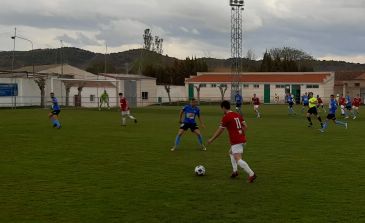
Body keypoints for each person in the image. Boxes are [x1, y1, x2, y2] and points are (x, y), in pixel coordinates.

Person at [207, 100, 256, 183]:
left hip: (236, 141)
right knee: (230, 152)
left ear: (223, 107)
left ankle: (251, 174)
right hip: (242, 139)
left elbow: (220, 131)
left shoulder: (226, 117)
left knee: (238, 159)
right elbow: (245, 126)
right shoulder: (237, 115)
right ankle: (235, 171)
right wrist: (240, 133)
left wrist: (211, 139)